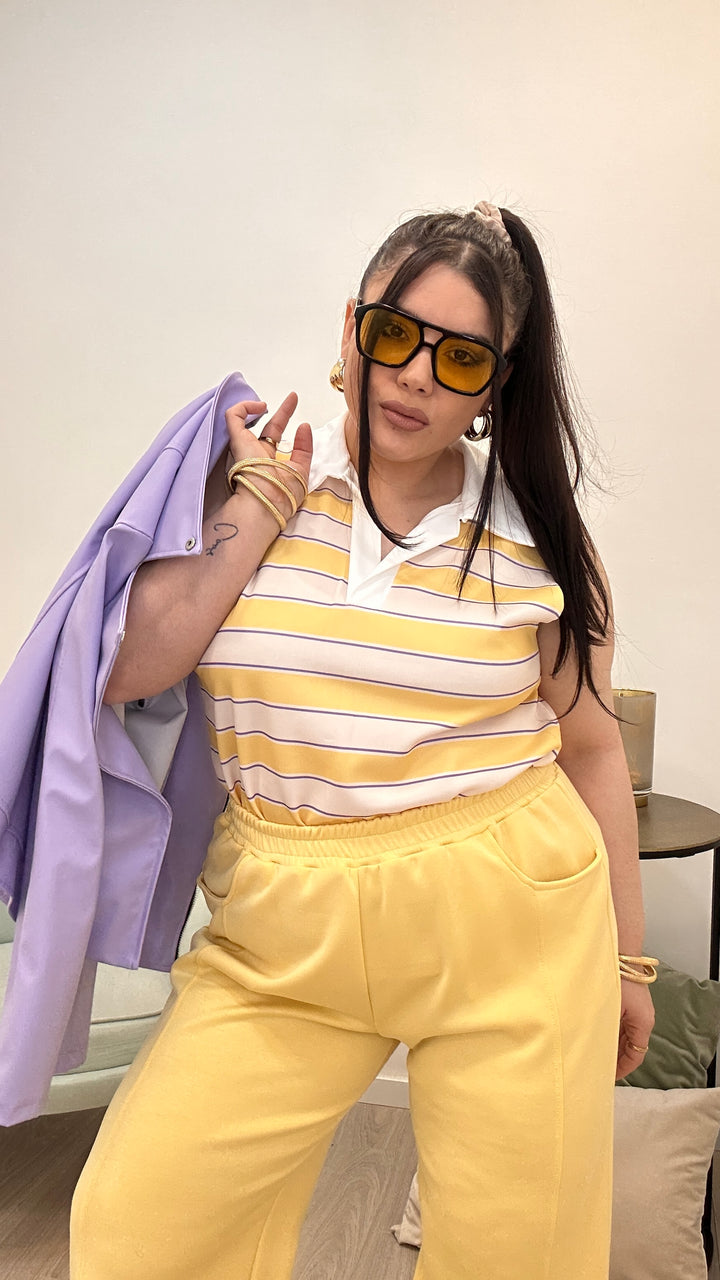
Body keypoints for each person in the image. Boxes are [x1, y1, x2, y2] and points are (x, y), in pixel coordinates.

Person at [68, 201, 656, 1280]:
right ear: (351, 329)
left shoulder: (540, 536)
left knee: (514, 1258)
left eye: (460, 357)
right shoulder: (248, 484)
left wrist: (628, 957)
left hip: (511, 930)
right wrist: (260, 506)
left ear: (493, 388)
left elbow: (591, 750)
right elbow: (126, 669)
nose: (417, 375)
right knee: (137, 1227)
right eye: (395, 334)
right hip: (280, 937)